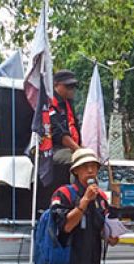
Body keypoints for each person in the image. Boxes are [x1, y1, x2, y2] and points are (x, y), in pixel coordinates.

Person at [38, 70, 83, 211]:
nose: (72, 90)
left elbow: (74, 128)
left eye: (73, 86)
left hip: (70, 147)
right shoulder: (50, 103)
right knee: (79, 160)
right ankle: (77, 200)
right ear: (56, 85)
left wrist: (85, 150)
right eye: (68, 86)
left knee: (90, 160)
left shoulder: (68, 104)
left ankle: (92, 199)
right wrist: (79, 151)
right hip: (51, 150)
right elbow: (59, 134)